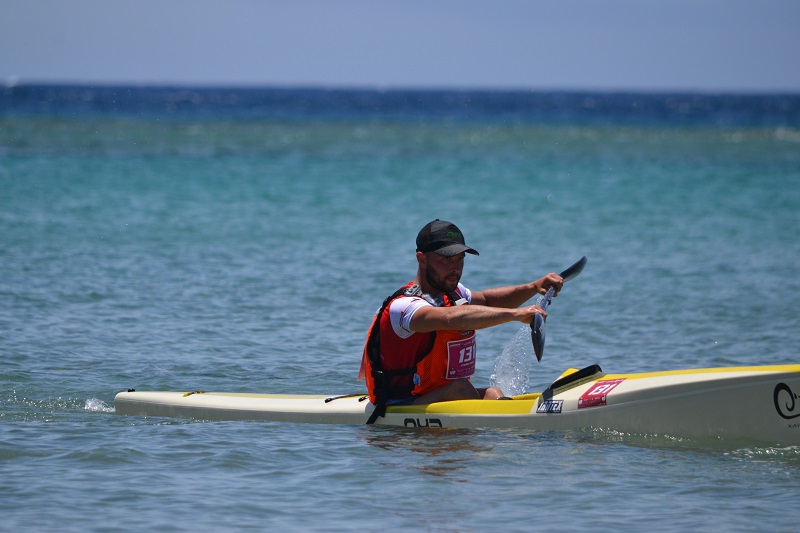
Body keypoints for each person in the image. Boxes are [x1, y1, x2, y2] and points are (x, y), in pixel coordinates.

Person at [359, 219, 563, 421]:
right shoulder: (404, 307)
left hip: (435, 395)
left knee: (493, 393)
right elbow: (449, 319)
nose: (455, 268)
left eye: (459, 259)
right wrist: (516, 315)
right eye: (446, 260)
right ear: (422, 259)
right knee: (461, 388)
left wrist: (534, 287)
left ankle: (511, 433)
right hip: (397, 405)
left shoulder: (453, 294)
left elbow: (487, 300)